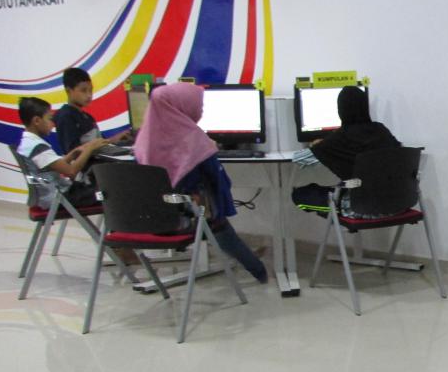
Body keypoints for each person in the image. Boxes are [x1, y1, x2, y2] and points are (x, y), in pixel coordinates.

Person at [133, 83, 268, 283]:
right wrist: (210, 150)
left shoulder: (142, 142)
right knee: (218, 223)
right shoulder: (195, 141)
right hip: (191, 220)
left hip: (150, 221)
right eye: (199, 106)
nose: (201, 111)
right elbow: (220, 182)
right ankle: (259, 272)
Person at [292, 86, 402, 219]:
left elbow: (299, 159)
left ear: (340, 110)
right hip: (399, 205)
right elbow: (400, 151)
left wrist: (317, 146)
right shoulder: (382, 130)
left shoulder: (339, 139)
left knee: (299, 195)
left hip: (359, 209)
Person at [16, 96, 106, 210]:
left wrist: (73, 154)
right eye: (49, 119)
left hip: (52, 195)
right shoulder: (37, 147)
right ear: (37, 121)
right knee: (108, 193)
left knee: (101, 188)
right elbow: (71, 172)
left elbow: (52, 165)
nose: (53, 124)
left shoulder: (27, 143)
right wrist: (90, 149)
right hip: (60, 198)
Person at [53, 67, 132, 156]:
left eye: (91, 90)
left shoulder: (88, 117)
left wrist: (113, 139)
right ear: (69, 91)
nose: (89, 95)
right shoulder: (66, 116)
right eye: (83, 90)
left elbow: (99, 143)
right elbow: (73, 153)